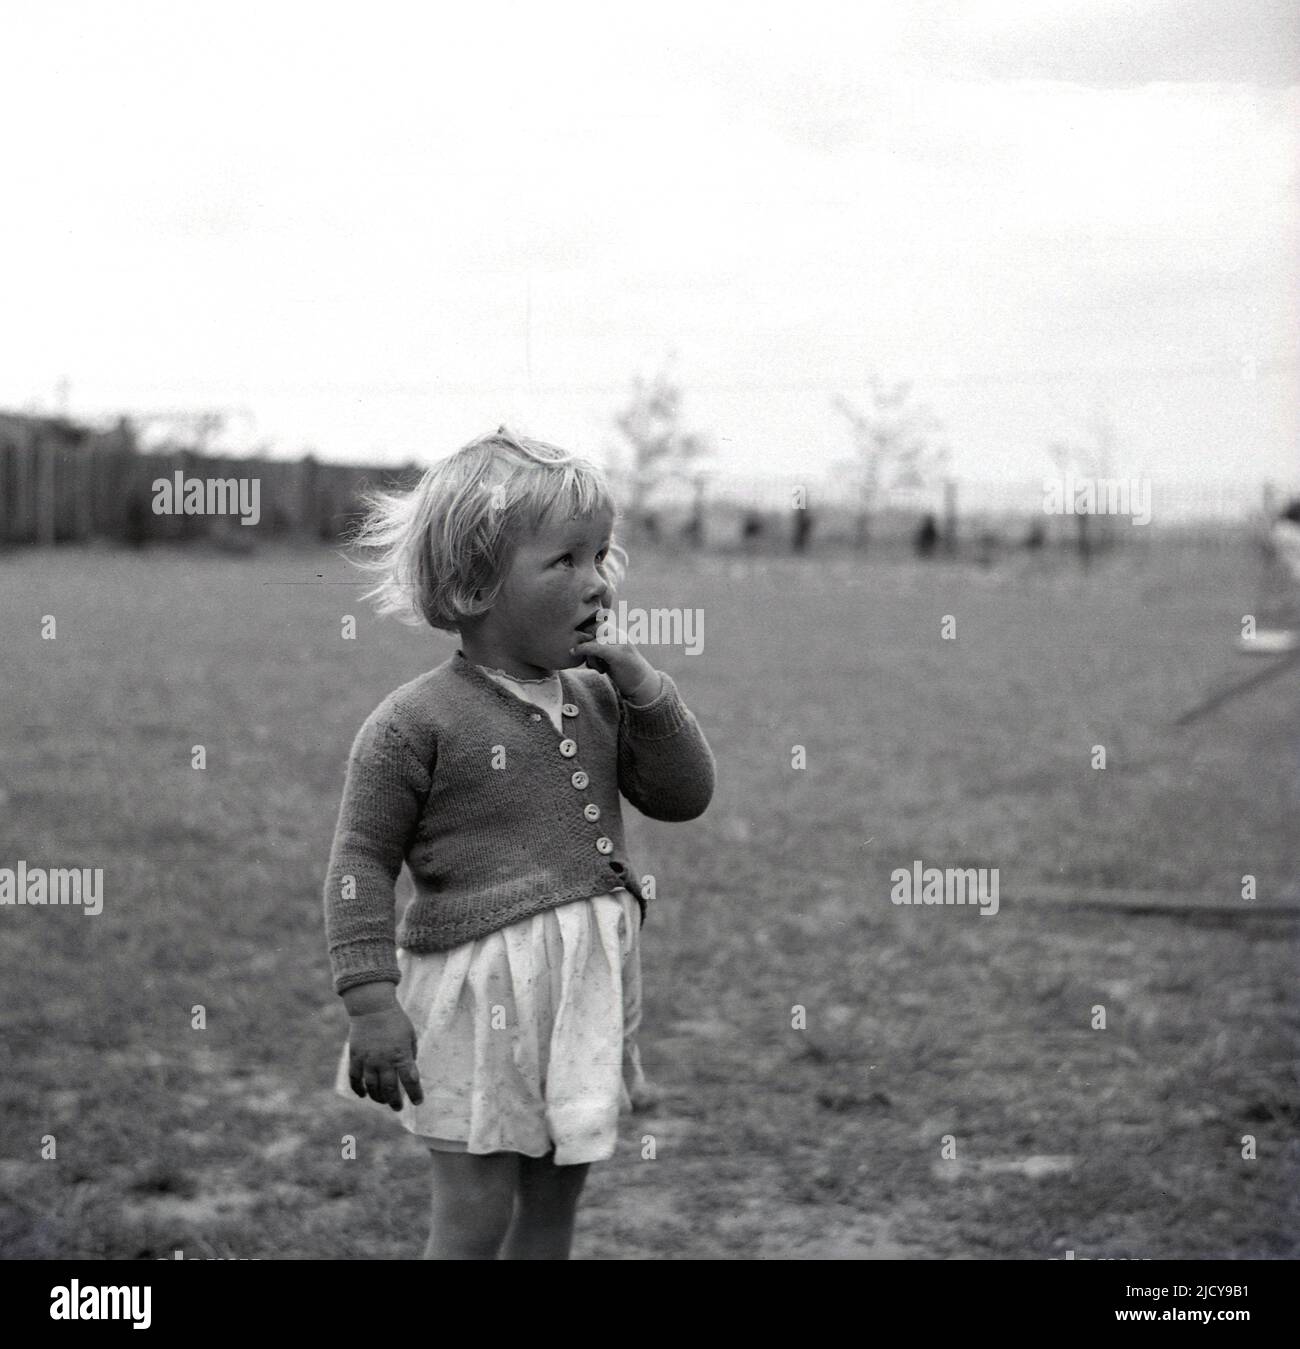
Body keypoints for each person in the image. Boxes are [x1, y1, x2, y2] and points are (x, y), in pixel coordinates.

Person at [322, 426, 716, 1259]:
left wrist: (646, 687)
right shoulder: (413, 721)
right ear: (471, 584)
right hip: (475, 1002)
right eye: (565, 560)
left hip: (585, 990)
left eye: (603, 556)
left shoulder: (603, 699)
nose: (596, 582)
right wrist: (369, 1001)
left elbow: (685, 796)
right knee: (475, 1211)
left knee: (553, 1202)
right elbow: (360, 861)